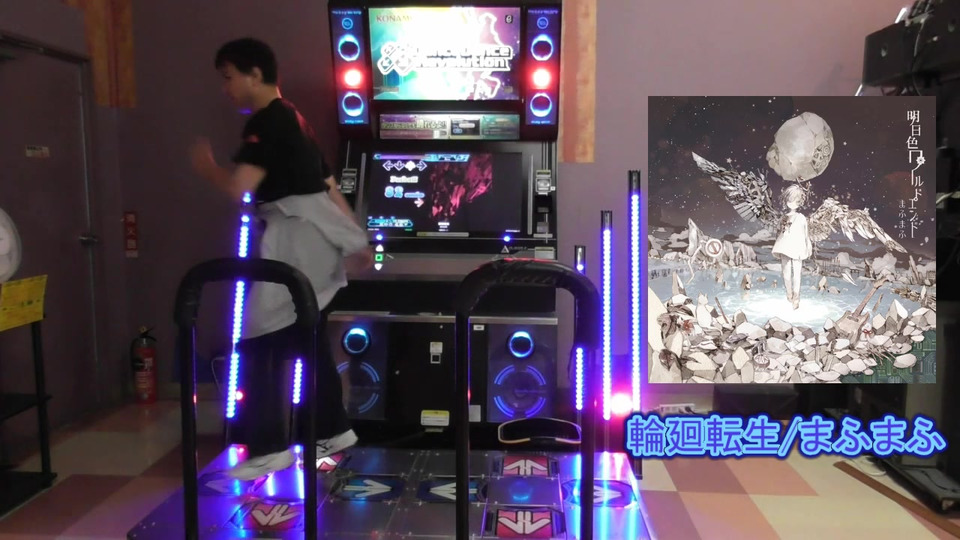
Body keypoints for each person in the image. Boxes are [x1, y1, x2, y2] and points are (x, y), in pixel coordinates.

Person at [189, 37, 373, 480]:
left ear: (255, 74)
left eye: (229, 77)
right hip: (315, 241)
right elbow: (330, 187)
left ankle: (269, 447)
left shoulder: (267, 121)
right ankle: (333, 429)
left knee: (256, 338)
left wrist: (206, 165)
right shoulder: (295, 118)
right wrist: (353, 240)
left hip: (295, 241)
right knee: (307, 335)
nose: (226, 88)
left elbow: (240, 186)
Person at [771, 183, 813, 310]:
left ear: (800, 202)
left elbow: (806, 233)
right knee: (786, 273)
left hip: (797, 247)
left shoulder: (801, 217)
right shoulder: (784, 217)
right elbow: (779, 232)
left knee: (797, 274)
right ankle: (789, 293)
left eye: (796, 200)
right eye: (790, 199)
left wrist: (808, 245)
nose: (792, 203)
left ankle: (796, 297)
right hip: (784, 246)